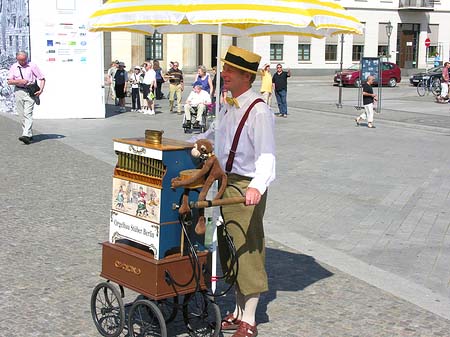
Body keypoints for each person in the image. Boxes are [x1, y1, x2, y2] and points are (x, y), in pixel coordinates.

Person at [191, 45, 276, 337]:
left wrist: (257, 186)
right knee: (228, 246)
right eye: (224, 69)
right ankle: (238, 312)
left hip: (245, 186)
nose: (223, 74)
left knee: (247, 248)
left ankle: (249, 321)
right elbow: (216, 131)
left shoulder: (259, 111)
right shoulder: (229, 102)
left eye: (228, 71)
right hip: (225, 182)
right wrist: (199, 141)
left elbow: (267, 155)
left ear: (244, 76)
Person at [7, 51, 46, 145]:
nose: (23, 62)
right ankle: (29, 134)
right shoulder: (14, 67)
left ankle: (25, 135)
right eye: (20, 60)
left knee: (27, 113)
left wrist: (41, 90)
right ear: (17, 59)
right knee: (21, 115)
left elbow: (42, 78)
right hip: (19, 91)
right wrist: (19, 81)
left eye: (24, 60)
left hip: (30, 92)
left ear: (27, 58)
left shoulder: (32, 66)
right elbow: (9, 81)